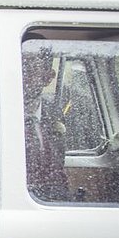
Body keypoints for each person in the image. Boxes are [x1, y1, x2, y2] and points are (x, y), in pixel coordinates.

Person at [22, 39, 68, 200]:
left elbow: (57, 166)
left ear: (48, 77)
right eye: (18, 67)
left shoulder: (54, 113)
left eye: (29, 68)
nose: (22, 76)